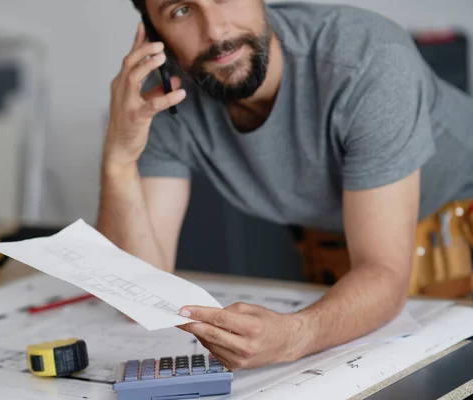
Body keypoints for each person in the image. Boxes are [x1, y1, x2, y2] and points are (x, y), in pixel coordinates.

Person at [97, 0, 473, 370]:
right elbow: (142, 291)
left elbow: (384, 273)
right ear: (153, 32)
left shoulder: (367, 60)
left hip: (458, 227)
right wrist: (119, 157)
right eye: (181, 10)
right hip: (346, 246)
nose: (215, 31)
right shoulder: (165, 99)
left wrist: (294, 336)